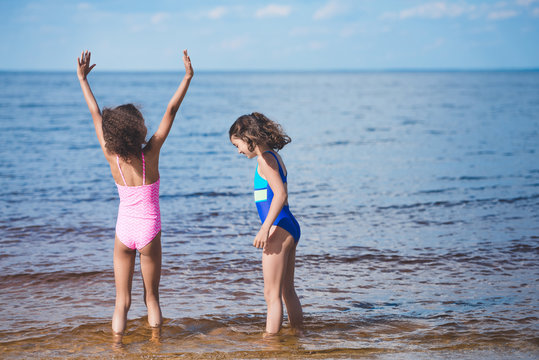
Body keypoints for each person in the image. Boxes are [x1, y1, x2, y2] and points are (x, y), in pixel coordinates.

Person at [77, 49, 193, 338]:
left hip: (124, 229)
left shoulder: (110, 155)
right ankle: (156, 346)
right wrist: (188, 76)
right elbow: (171, 111)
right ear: (138, 130)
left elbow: (95, 113)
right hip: (149, 230)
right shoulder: (150, 154)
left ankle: (118, 349)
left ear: (113, 134)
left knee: (121, 302)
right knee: (151, 298)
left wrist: (82, 79)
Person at [229, 113, 303, 335]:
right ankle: (299, 334)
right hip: (288, 225)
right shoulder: (273, 157)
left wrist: (265, 228)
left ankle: (271, 342)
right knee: (286, 291)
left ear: (249, 138)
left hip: (278, 227)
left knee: (271, 294)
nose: (238, 151)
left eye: (237, 144)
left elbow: (280, 194)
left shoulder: (265, 159)